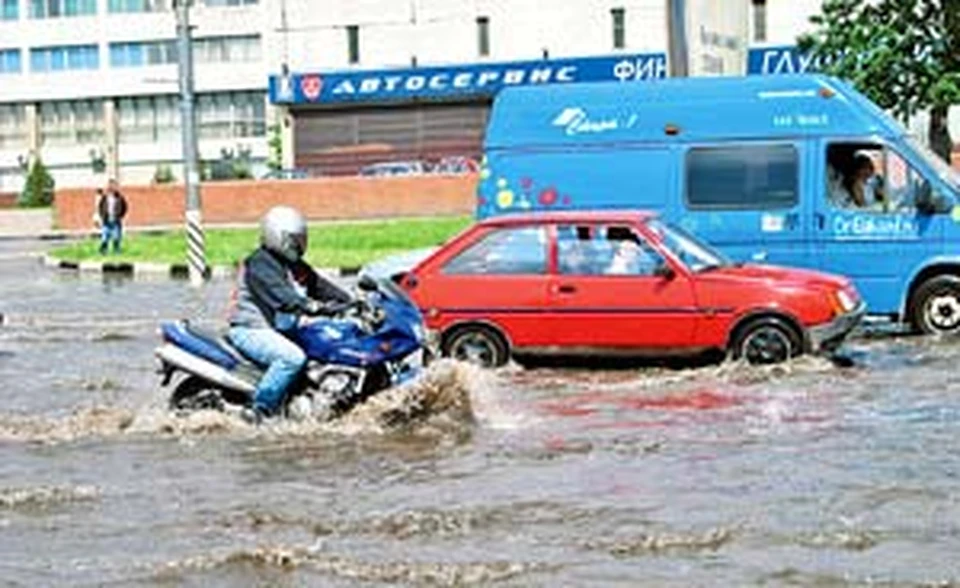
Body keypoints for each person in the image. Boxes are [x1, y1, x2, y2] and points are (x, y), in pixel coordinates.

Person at [226, 205, 352, 424]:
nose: (301, 244)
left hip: (280, 330)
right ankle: (259, 410)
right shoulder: (260, 264)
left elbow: (320, 286)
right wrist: (315, 307)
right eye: (296, 239)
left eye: (302, 238)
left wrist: (351, 302)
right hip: (251, 329)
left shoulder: (294, 266)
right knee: (292, 358)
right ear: (279, 236)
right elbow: (283, 298)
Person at [96, 179, 128, 254]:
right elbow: (100, 207)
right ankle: (103, 251)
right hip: (106, 220)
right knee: (104, 237)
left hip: (115, 220)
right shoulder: (105, 198)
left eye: (113, 186)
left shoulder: (119, 198)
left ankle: (117, 251)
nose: (111, 188)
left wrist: (120, 216)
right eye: (110, 186)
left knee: (116, 237)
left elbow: (124, 207)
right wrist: (102, 216)